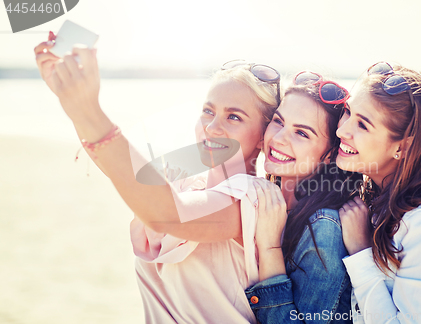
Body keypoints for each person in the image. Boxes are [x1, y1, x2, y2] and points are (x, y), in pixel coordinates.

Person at [34, 34, 281, 323]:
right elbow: (120, 169)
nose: (212, 127)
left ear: (264, 138)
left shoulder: (251, 199)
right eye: (208, 111)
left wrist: (90, 108)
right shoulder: (188, 183)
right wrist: (72, 101)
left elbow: (166, 215)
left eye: (234, 117)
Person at [337, 62, 421, 323]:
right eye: (347, 111)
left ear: (404, 146)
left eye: (363, 125)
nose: (341, 130)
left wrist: (359, 251)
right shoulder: (372, 199)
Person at [245, 72, 362, 323]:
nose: (278, 139)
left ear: (330, 154)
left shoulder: (323, 228)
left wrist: (270, 248)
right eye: (278, 121)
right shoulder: (269, 199)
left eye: (302, 133)